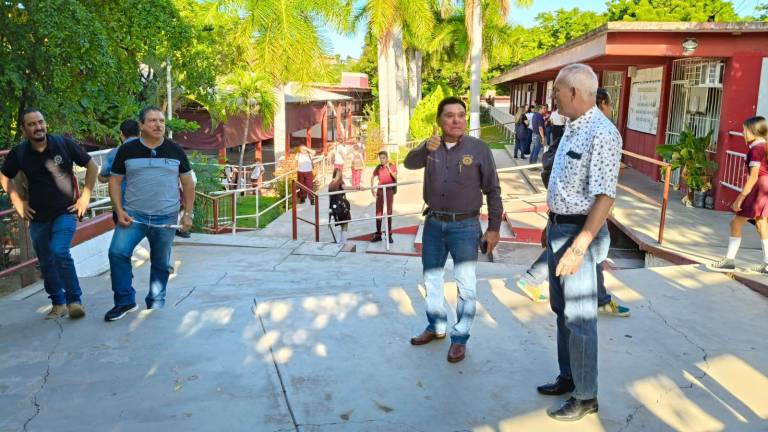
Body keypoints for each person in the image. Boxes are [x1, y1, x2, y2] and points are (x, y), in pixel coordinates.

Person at [536, 64, 622, 422]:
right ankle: (569, 377)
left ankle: (586, 396)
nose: (553, 98)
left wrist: (579, 245)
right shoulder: (572, 127)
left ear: (574, 92)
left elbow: (605, 197)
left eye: (557, 92)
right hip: (557, 229)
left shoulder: (601, 133)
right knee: (563, 313)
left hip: (577, 235)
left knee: (581, 317)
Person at [404, 96, 503, 363]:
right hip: (434, 224)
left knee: (465, 285)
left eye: (460, 115)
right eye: (449, 115)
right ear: (439, 120)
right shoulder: (431, 147)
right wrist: (425, 148)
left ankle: (459, 337)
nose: (456, 120)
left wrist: (493, 228)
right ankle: (436, 326)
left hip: (466, 226)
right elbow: (408, 163)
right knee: (432, 279)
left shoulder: (479, 148)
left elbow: (493, 190)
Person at [517, 88, 631, 318]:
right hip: (575, 216)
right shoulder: (584, 130)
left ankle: (598, 296)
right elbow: (569, 182)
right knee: (591, 254)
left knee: (590, 251)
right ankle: (596, 296)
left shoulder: (595, 132)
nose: (555, 101)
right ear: (602, 103)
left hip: (580, 214)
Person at [0, 109, 97, 319]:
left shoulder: (62, 143)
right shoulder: (20, 153)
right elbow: (4, 176)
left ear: (46, 124)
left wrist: (85, 197)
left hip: (66, 211)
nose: (38, 127)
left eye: (41, 122)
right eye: (32, 124)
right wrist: (18, 202)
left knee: (59, 250)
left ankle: (74, 301)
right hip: (38, 216)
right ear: (25, 129)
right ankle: (57, 303)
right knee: (45, 260)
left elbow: (92, 166)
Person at [104, 106, 195, 321]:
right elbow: (114, 181)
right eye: (153, 121)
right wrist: (119, 210)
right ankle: (124, 301)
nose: (159, 124)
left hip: (166, 217)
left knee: (161, 263)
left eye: (161, 121)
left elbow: (188, 184)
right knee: (117, 253)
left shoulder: (175, 150)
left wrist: (188, 214)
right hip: (134, 216)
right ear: (141, 125)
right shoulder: (127, 150)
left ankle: (156, 302)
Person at [708, 116, 768, 273]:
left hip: (758, 189)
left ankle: (729, 260)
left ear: (753, 130)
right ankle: (767, 264)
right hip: (765, 189)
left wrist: (740, 198)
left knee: (735, 224)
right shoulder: (765, 146)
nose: (743, 133)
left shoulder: (756, 150)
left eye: (745, 129)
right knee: (762, 224)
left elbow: (754, 176)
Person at [99, 119, 140, 225]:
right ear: (139, 133)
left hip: (122, 207)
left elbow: (102, 178)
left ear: (121, 134)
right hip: (147, 206)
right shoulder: (150, 151)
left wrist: (117, 177)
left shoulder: (114, 153)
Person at [370, 151, 397, 243]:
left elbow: (395, 176)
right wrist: (372, 188)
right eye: (380, 158)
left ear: (387, 158)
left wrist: (389, 167)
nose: (382, 160)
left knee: (389, 212)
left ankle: (389, 234)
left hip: (389, 191)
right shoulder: (378, 167)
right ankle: (378, 234)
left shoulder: (392, 165)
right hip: (380, 191)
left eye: (383, 158)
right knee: (378, 212)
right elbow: (372, 177)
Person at [328, 168, 351, 243]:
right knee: (345, 224)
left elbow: (330, 198)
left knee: (339, 225)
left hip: (334, 208)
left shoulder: (331, 184)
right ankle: (343, 243)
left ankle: (338, 243)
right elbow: (345, 188)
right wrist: (357, 187)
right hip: (341, 207)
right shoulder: (340, 182)